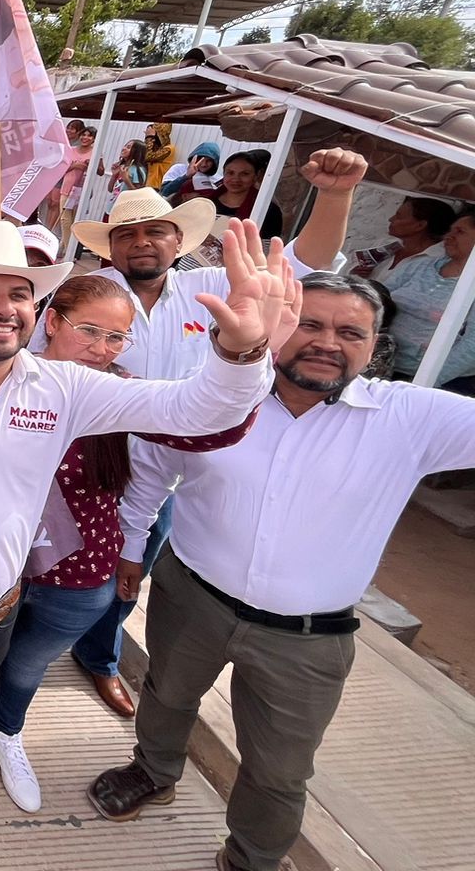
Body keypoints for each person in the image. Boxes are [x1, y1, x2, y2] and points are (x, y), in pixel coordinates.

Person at [0, 217, 293, 871]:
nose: (6, 306)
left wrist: (240, 354)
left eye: (19, 293)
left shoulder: (64, 389)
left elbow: (194, 411)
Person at [89, 271, 475, 871]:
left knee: (280, 768)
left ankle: (253, 857)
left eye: (351, 332)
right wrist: (132, 548)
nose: (328, 342)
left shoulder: (411, 417)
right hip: (192, 597)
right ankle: (153, 771)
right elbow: (150, 473)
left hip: (306, 638)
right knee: (166, 694)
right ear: (275, 328)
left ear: (373, 347)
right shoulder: (214, 398)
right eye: (309, 324)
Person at [55, 153, 362, 715]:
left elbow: (303, 261)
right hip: (93, 456)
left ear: (179, 241)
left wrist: (336, 196)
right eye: (127, 235)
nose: (141, 243)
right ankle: (36, 644)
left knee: (134, 567)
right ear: (109, 247)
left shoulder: (214, 286)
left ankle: (100, 657)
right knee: (63, 558)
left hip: (181, 463)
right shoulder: (88, 292)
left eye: (155, 231)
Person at [0, 275, 257, 814]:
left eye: (116, 338)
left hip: (83, 569)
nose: (101, 349)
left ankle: (5, 729)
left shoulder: (119, 390)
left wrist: (244, 354)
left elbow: (207, 428)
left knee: (28, 665)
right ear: (52, 322)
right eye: (88, 331)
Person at [381, 205, 475, 382]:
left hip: (433, 380)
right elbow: (379, 301)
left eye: (460, 232)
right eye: (450, 230)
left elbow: (472, 346)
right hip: (383, 365)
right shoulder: (419, 266)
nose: (449, 237)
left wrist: (425, 380)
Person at [348, 195, 457, 282]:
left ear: (419, 225)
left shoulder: (437, 260)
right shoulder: (385, 245)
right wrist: (356, 275)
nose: (391, 219)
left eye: (399, 216)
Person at [207, 149, 283, 239]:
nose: (236, 179)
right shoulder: (206, 204)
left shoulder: (268, 211)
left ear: (256, 176)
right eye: (230, 173)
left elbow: (266, 247)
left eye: (245, 174)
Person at [56, 125, 96, 242]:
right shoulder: (71, 150)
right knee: (64, 219)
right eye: (84, 135)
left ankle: (70, 248)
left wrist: (92, 164)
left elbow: (100, 171)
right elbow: (60, 170)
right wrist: (74, 166)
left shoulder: (95, 152)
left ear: (94, 139)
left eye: (89, 136)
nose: (86, 138)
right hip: (67, 188)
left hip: (82, 190)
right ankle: (67, 247)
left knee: (75, 220)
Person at [142, 122, 175, 189]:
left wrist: (149, 137)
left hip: (156, 187)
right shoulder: (155, 149)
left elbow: (148, 157)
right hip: (147, 185)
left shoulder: (169, 149)